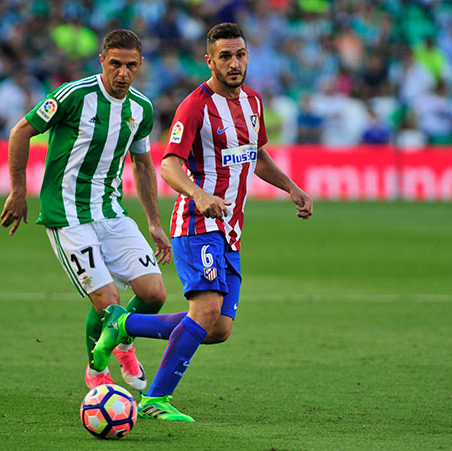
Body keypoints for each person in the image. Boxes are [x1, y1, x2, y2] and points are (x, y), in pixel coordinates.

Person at [92, 22, 313, 422]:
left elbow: (257, 155)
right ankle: (156, 399)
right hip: (196, 224)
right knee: (206, 310)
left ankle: (125, 323)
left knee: (218, 328)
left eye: (240, 55)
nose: (234, 63)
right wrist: (198, 194)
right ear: (209, 60)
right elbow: (168, 165)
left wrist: (291, 187)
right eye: (225, 56)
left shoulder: (254, 102)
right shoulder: (195, 105)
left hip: (231, 231)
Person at [0, 29, 172, 392]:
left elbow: (143, 165)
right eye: (115, 64)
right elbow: (20, 132)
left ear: (141, 65)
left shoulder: (141, 109)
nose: (122, 73)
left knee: (155, 294)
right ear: (102, 61)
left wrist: (155, 223)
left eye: (131, 65)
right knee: (108, 303)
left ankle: (124, 344)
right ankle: (96, 371)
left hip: (110, 211)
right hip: (67, 215)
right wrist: (18, 191)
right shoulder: (74, 95)